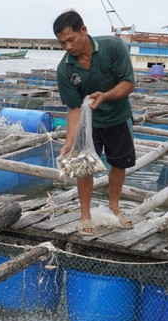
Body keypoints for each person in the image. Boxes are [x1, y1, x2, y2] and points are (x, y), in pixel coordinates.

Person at [53, 9, 135, 235]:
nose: (67, 47)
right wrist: (69, 144)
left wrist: (106, 96)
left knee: (120, 163)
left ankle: (114, 205)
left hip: (118, 116)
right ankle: (85, 214)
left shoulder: (112, 47)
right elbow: (74, 109)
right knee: (83, 166)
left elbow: (128, 83)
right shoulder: (65, 69)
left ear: (84, 31)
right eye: (62, 43)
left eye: (71, 40)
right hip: (88, 125)